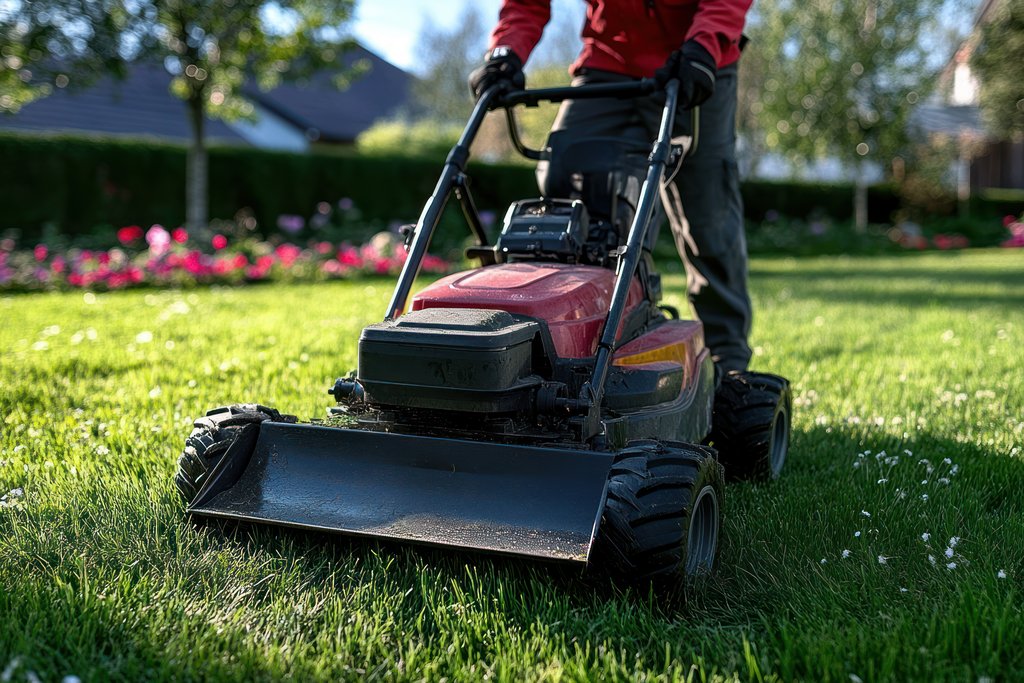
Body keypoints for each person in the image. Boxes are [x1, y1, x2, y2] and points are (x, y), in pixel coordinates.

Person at [469, 0, 754, 373]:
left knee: (708, 216)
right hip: (608, 61)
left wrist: (705, 43)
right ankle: (567, 341)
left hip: (698, 58)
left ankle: (727, 363)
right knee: (561, 181)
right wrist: (506, 51)